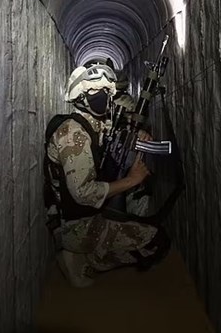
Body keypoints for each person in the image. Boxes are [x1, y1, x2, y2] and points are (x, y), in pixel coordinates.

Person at [44, 63, 170, 288]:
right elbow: (84, 194)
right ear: (81, 96)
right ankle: (85, 260)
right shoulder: (73, 134)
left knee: (139, 210)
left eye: (104, 91)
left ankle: (93, 248)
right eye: (93, 92)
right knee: (156, 242)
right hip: (75, 224)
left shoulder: (90, 124)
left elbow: (109, 135)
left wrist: (135, 134)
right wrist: (131, 179)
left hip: (86, 213)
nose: (100, 96)